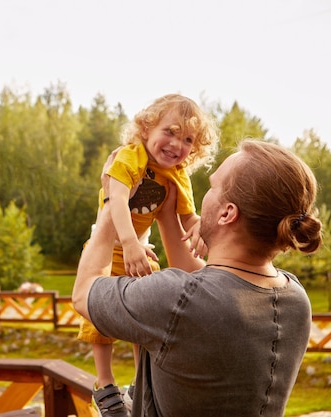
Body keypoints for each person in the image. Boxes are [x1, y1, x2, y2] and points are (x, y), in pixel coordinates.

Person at [73, 139, 323, 417]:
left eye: (213, 187)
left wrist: (111, 201)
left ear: (228, 213)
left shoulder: (175, 298)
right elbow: (206, 283)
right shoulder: (296, 299)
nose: (205, 195)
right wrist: (168, 215)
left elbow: (84, 292)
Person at [77, 94, 219, 417]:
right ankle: (105, 383)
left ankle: (142, 380)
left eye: (187, 139)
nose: (176, 144)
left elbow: (188, 216)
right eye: (169, 131)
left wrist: (201, 230)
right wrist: (128, 242)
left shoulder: (177, 174)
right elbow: (115, 199)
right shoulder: (130, 157)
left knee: (142, 314)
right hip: (111, 247)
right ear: (146, 127)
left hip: (141, 250)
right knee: (99, 318)